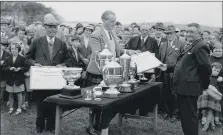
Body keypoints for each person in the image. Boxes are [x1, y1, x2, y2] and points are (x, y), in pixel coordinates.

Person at [159, 23, 212, 135]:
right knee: (185, 117)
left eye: (191, 32)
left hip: (190, 88)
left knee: (189, 118)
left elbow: (206, 68)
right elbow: (182, 64)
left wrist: (205, 85)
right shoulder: (191, 44)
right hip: (183, 87)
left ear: (199, 33)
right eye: (187, 31)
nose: (188, 34)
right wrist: (167, 67)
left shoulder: (201, 46)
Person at [25, 13, 71, 133]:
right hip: (40, 80)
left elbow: (68, 59)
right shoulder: (37, 42)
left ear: (57, 29)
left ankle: (51, 126)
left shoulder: (61, 44)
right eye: (50, 27)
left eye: (55, 27)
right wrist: (34, 63)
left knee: (53, 103)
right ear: (45, 28)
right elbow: (27, 58)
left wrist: (63, 65)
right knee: (41, 104)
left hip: (55, 81)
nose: (52, 29)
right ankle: (39, 126)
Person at [85, 10, 125, 135]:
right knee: (95, 102)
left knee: (109, 101)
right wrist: (112, 63)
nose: (114, 24)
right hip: (97, 72)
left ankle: (100, 125)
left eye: (114, 21)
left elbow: (117, 50)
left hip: (111, 72)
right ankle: (91, 126)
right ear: (103, 20)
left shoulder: (112, 32)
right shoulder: (96, 35)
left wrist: (129, 52)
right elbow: (98, 55)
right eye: (111, 21)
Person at [159, 25, 186, 120]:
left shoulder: (181, 44)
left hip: (175, 71)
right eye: (167, 33)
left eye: (171, 33)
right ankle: (166, 111)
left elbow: (183, 60)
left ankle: (175, 113)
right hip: (164, 71)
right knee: (165, 91)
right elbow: (160, 58)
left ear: (175, 33)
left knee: (174, 93)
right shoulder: (163, 44)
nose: (169, 35)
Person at [2, 43, 29, 115]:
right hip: (10, 79)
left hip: (19, 79)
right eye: (12, 49)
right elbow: (3, 67)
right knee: (10, 94)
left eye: (15, 49)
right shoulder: (8, 58)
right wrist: (9, 68)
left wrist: (20, 69)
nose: (13, 50)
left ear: (19, 50)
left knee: (19, 94)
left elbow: (27, 67)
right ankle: (11, 108)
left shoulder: (22, 58)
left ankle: (19, 108)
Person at [197, 62, 222, 131]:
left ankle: (206, 126)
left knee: (211, 110)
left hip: (213, 97)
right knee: (206, 110)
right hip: (205, 95)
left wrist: (220, 80)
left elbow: (219, 89)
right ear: (210, 68)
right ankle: (212, 124)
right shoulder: (207, 76)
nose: (216, 72)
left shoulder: (219, 79)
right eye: (214, 70)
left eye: (218, 71)